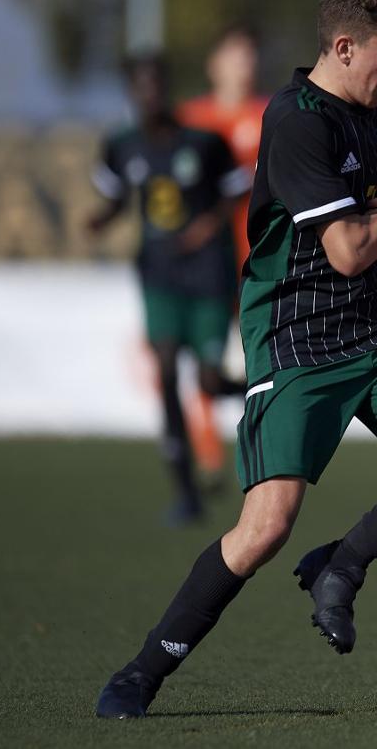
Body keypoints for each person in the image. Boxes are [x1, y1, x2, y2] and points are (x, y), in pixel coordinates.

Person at [95, 0, 377, 719]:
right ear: (347, 48)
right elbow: (351, 249)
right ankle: (142, 670)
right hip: (297, 340)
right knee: (263, 528)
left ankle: (346, 561)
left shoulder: (363, 108)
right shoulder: (293, 122)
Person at [89, 54, 251, 524]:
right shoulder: (121, 145)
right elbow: (118, 195)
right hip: (158, 275)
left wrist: (207, 226)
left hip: (207, 277)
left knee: (205, 380)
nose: (148, 95)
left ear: (166, 88)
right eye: (139, 87)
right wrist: (101, 219)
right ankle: (185, 490)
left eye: (155, 85)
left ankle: (250, 391)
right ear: (131, 93)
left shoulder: (203, 143)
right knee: (163, 371)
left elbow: (235, 191)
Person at [177, 25, 271, 487]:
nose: (243, 65)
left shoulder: (272, 113)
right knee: (204, 357)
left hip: (262, 256)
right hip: (207, 261)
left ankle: (258, 449)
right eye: (233, 55)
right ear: (214, 64)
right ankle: (208, 455)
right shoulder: (191, 120)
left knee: (263, 357)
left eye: (248, 55)